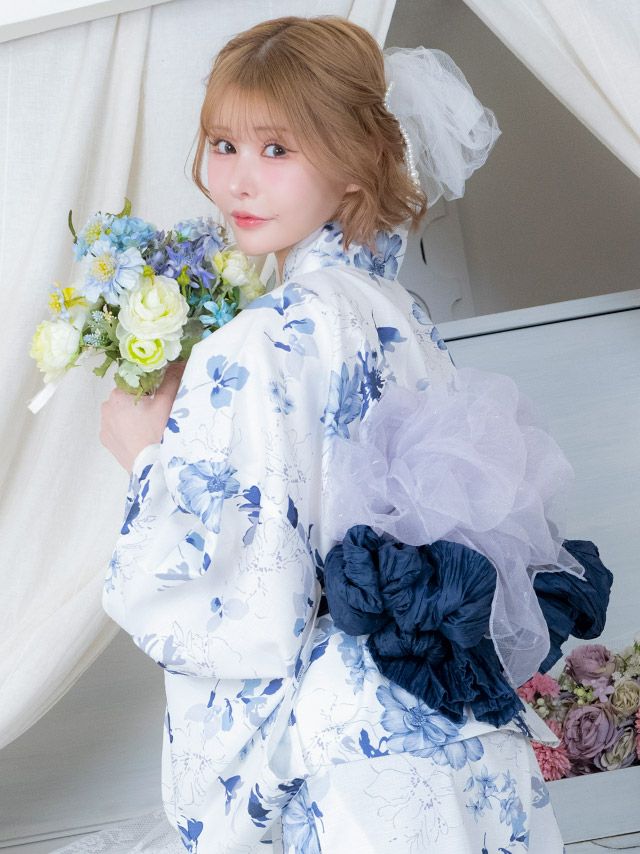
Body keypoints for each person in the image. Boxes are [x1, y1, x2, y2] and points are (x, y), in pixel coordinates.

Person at [99, 15, 571, 853]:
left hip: (347, 754)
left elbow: (246, 600)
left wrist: (144, 457)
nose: (239, 180)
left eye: (277, 149)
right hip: (451, 726)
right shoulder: (400, 314)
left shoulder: (261, 339)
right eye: (223, 145)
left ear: (354, 161)